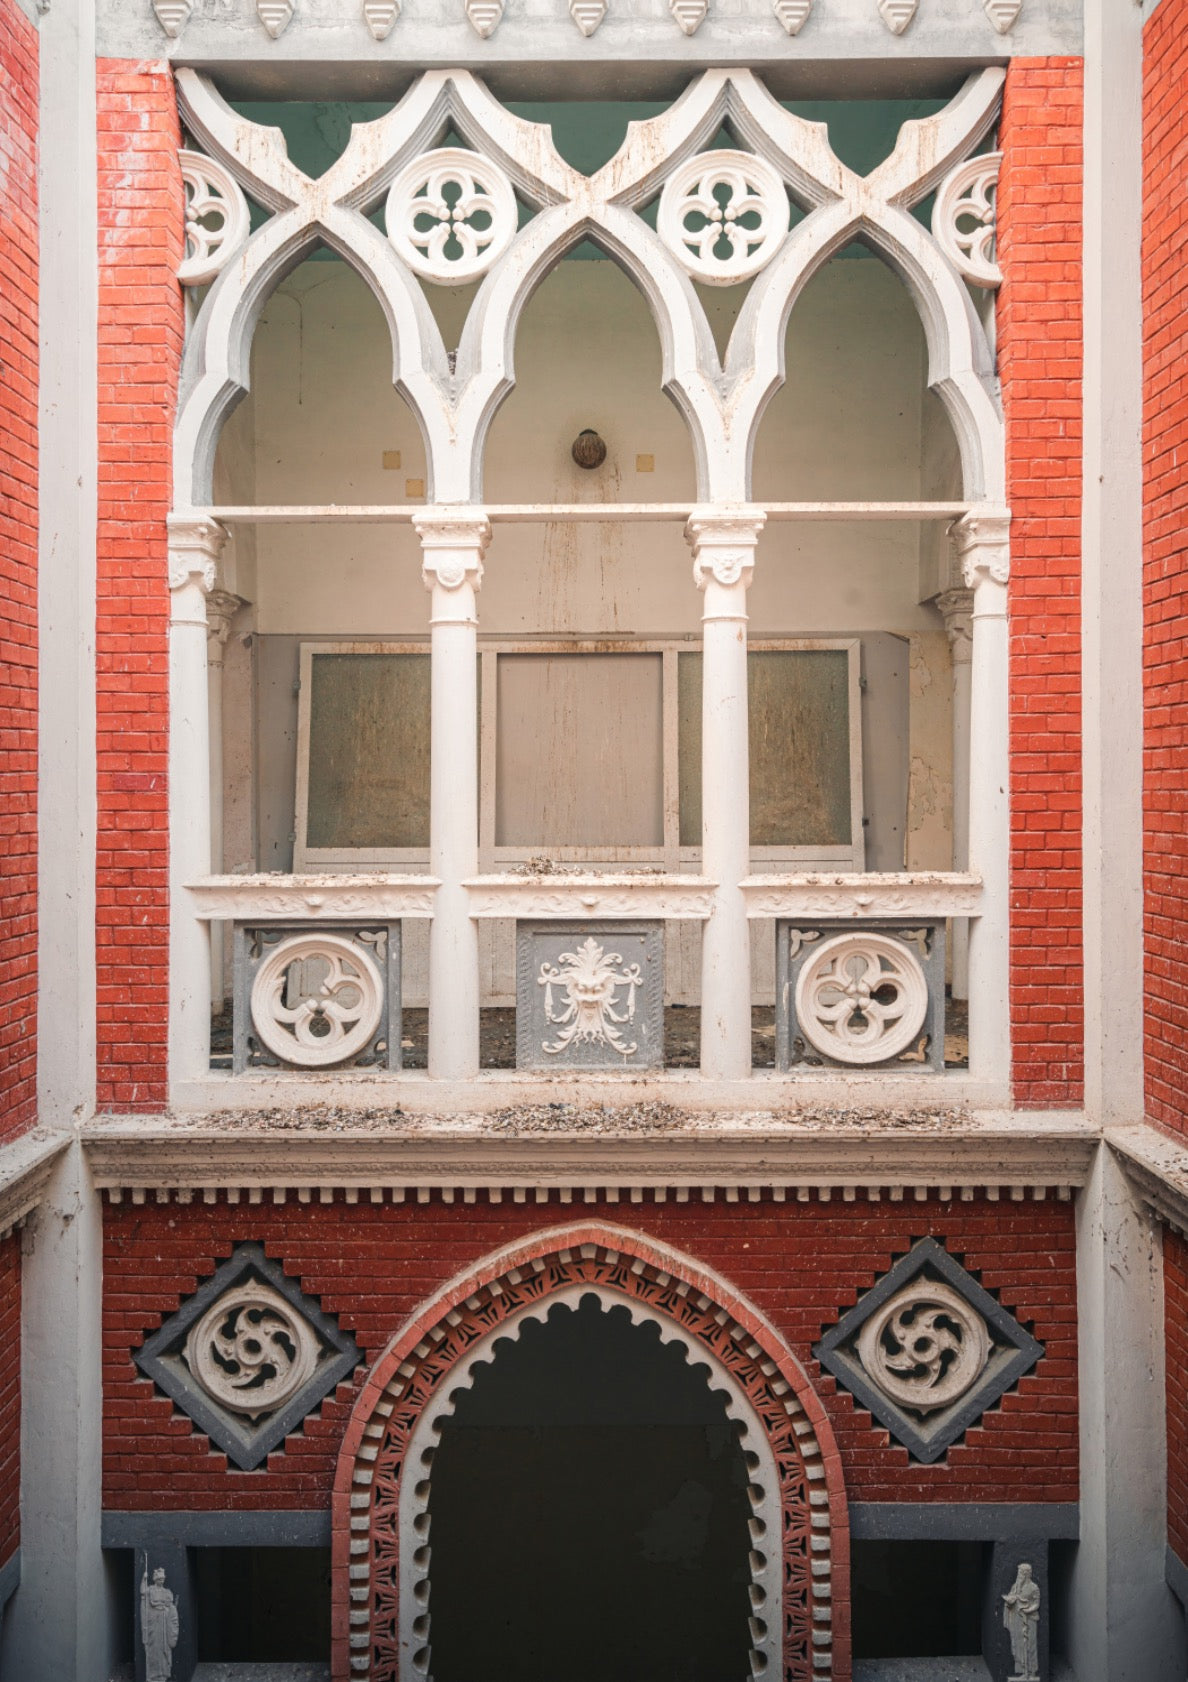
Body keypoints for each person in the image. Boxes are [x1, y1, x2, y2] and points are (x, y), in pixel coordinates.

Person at [1002, 1561, 1041, 1682]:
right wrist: (1009, 1602)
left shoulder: (1034, 1587)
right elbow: (1010, 1598)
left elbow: (1036, 1604)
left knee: (1029, 1645)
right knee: (1019, 1644)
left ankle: (1032, 1672)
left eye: (1020, 1573)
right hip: (1017, 1620)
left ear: (1026, 1574)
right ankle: (1023, 1671)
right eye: (1018, 1573)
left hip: (1029, 1620)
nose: (1019, 1576)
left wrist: (1027, 1610)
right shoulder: (1015, 1586)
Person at [141, 1565, 180, 1682]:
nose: (161, 1581)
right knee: (154, 1649)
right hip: (153, 1624)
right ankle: (153, 1675)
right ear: (155, 1579)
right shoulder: (150, 1590)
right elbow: (143, 1593)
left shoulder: (168, 1593)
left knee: (164, 1649)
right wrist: (144, 1579)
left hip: (164, 1624)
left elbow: (171, 1608)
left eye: (162, 1579)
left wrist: (169, 1611)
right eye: (159, 1579)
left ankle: (164, 1673)